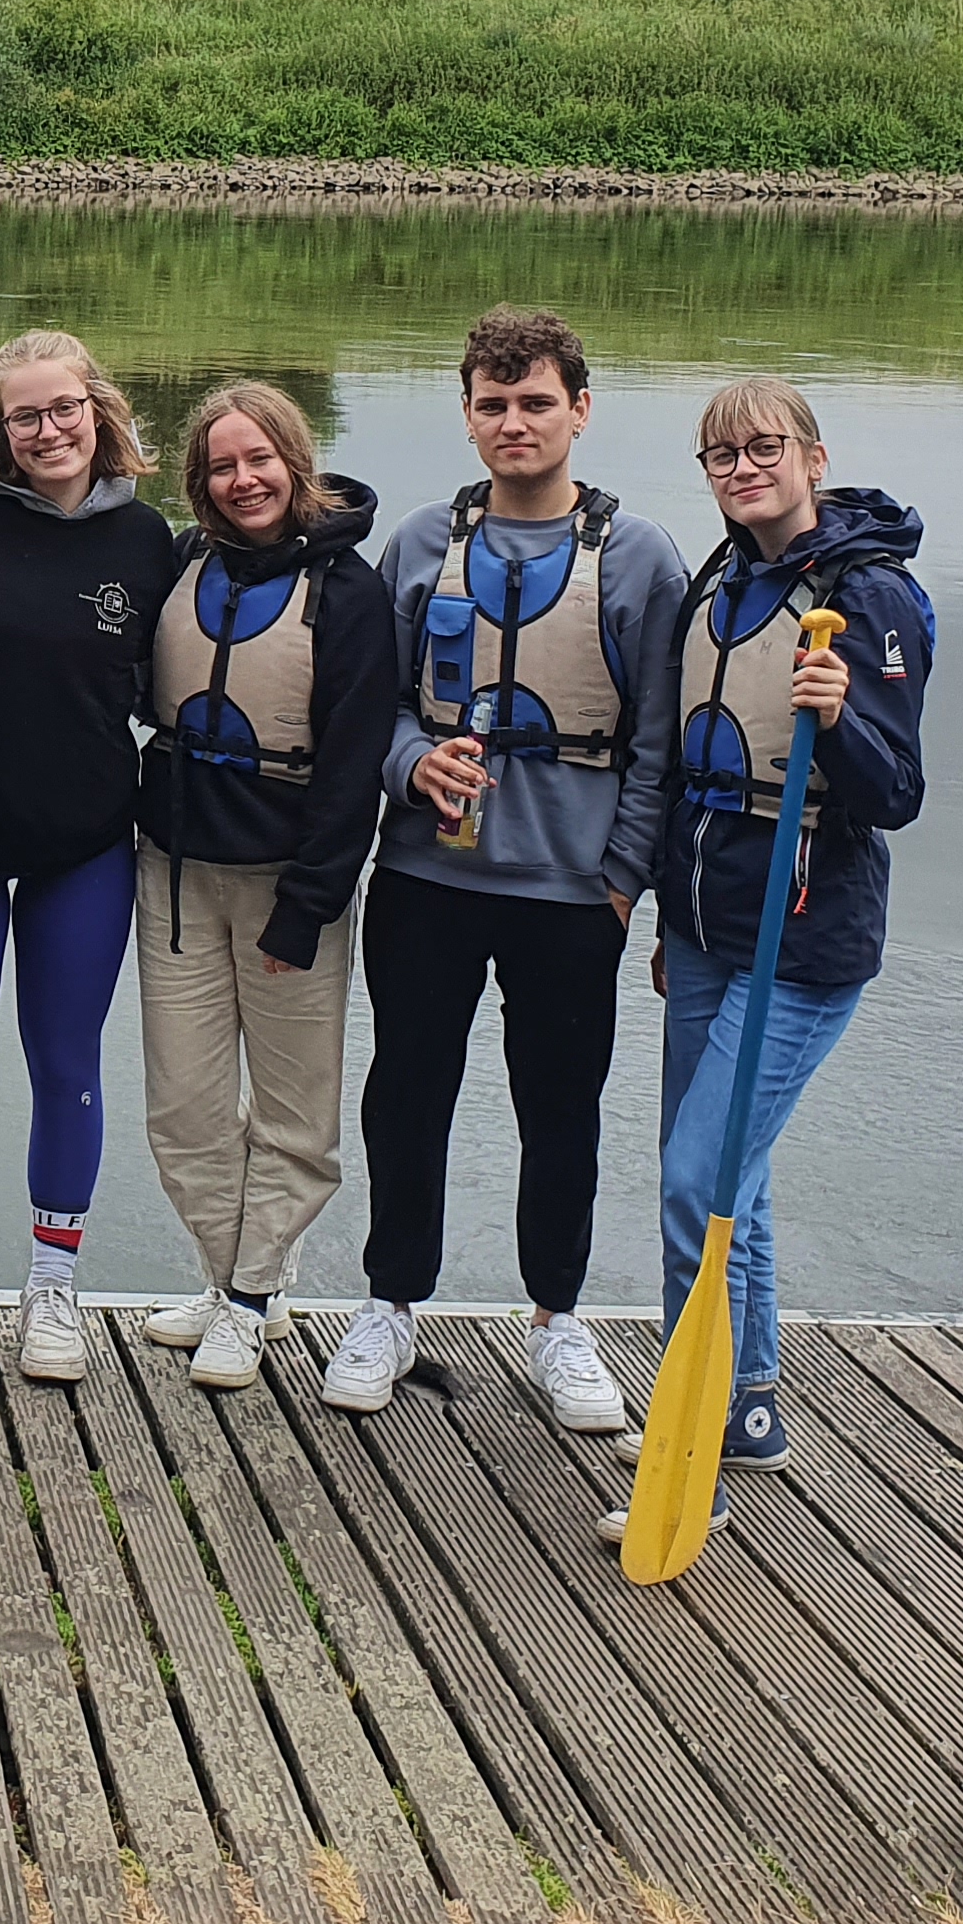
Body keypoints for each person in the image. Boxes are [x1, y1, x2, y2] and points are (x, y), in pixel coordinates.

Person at [332, 307, 688, 1425]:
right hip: (427, 884)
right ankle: (392, 1303)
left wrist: (622, 882)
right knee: (406, 1097)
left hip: (570, 896)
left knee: (561, 1110)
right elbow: (374, 708)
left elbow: (658, 746)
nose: (514, 422)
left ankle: (558, 1317)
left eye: (537, 402)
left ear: (580, 409)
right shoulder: (424, 544)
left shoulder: (638, 558)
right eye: (493, 404)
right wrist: (407, 765)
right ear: (469, 415)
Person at [603, 374, 930, 1546]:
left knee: (698, 1181)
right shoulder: (723, 576)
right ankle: (749, 1407)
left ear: (812, 455)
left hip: (802, 942)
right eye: (719, 456)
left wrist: (841, 717)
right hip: (701, 930)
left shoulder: (871, 597)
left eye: (762, 449)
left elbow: (896, 795)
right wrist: (659, 915)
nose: (741, 470)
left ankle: (699, 1439)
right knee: (728, 1179)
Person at [0, 330, 176, 1383]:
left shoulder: (151, 541)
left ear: (98, 410)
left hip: (84, 845)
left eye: (65, 408)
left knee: (67, 1066)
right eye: (27, 416)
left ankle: (53, 1287)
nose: (50, 429)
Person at [133, 380, 387, 1393]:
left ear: (296, 461)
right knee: (185, 1107)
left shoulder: (351, 595)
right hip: (178, 873)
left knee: (292, 1115)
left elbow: (357, 762)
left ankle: (248, 1297)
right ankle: (234, 1277)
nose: (243, 481)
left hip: (292, 883)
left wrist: (310, 903)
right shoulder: (181, 566)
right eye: (221, 467)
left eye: (259, 460)